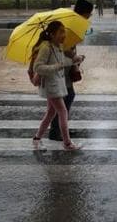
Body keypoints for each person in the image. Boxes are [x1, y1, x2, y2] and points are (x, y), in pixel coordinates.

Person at [32, 21, 84, 151]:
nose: (63, 34)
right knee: (62, 111)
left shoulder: (58, 47)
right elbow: (37, 67)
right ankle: (67, 143)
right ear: (52, 34)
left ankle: (37, 139)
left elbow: (62, 62)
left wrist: (74, 61)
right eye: (61, 31)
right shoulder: (46, 48)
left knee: (50, 113)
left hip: (57, 84)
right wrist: (57, 67)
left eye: (63, 31)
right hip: (51, 85)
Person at [48, 0, 93, 141]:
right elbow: (63, 47)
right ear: (84, 12)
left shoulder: (73, 22)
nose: (90, 16)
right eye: (89, 13)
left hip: (65, 67)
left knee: (65, 98)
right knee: (66, 97)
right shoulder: (70, 24)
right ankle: (56, 131)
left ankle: (61, 128)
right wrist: (74, 56)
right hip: (61, 68)